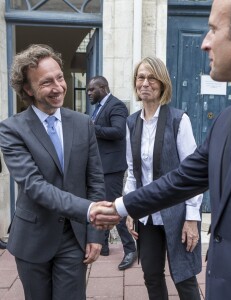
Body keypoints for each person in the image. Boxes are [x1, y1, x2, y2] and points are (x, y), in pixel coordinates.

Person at [90, 0, 231, 299]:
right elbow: (181, 179)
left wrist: (189, 218)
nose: (204, 43)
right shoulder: (229, 119)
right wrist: (120, 207)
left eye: (213, 29)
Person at [0, 44, 120, 300]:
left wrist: (95, 232)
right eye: (46, 82)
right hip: (33, 236)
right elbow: (35, 186)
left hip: (73, 236)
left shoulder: (82, 123)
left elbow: (95, 180)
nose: (58, 87)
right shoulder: (12, 129)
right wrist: (89, 210)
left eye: (60, 77)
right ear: (28, 89)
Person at [124, 56, 202, 300]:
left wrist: (192, 218)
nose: (145, 83)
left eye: (151, 77)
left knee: (185, 278)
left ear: (162, 83)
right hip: (147, 216)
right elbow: (132, 171)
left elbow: (194, 173)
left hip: (178, 214)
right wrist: (129, 208)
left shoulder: (179, 120)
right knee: (151, 275)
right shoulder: (131, 123)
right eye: (140, 77)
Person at [86, 76, 137, 270]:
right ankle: (104, 245)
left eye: (92, 90)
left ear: (103, 87)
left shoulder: (116, 106)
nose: (89, 93)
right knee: (104, 203)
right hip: (101, 166)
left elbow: (118, 131)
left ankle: (130, 248)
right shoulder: (99, 107)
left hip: (113, 167)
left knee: (117, 207)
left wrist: (92, 127)